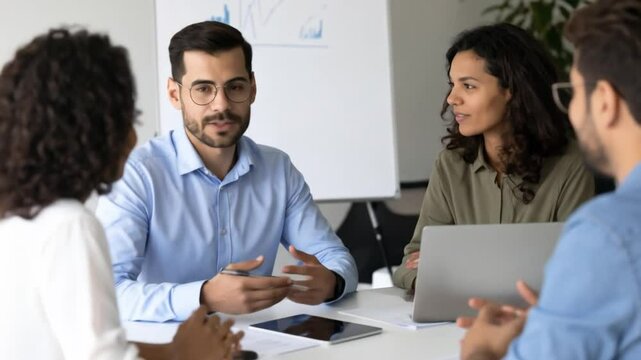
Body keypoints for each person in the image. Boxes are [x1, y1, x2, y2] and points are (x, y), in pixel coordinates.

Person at [0, 28, 242, 359]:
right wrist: (185, 355)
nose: (132, 137)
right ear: (86, 131)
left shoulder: (19, 215)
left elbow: (78, 342)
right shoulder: (71, 225)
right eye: (124, 119)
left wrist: (172, 350)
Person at [96, 20, 358, 322]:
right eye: (203, 89)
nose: (221, 105)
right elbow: (106, 292)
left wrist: (332, 282)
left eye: (235, 87)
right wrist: (203, 296)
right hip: (168, 349)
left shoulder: (278, 170)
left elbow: (338, 260)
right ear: (173, 94)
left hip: (262, 345)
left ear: (252, 88)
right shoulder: (137, 175)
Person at [459, 0, 641, 358]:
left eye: (572, 93)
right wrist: (561, 314)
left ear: (604, 101)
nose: (571, 111)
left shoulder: (606, 233)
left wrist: (480, 351)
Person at [392, 23, 595, 290]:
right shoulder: (451, 164)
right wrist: (430, 280)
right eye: (453, 85)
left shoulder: (570, 166)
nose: (452, 98)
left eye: (468, 86)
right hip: (455, 320)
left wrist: (458, 270)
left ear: (512, 90)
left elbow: (576, 269)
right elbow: (411, 263)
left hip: (535, 322)